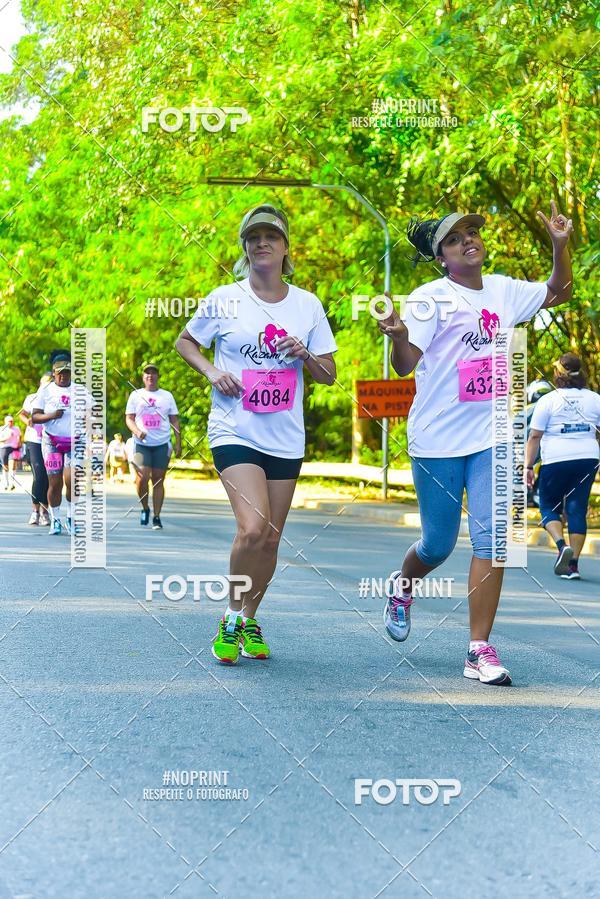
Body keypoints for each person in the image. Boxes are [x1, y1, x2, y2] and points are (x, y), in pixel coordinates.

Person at [378, 201, 573, 686]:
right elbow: (406, 365)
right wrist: (400, 335)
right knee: (438, 544)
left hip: (494, 434)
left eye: (473, 232)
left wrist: (560, 245)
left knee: (495, 541)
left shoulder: (505, 290)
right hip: (437, 438)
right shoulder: (429, 297)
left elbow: (559, 292)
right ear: (442, 256)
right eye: (455, 238)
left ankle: (478, 649)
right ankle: (403, 586)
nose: (470, 240)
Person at [176, 204, 337, 665]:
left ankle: (250, 617)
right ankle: (229, 618)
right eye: (253, 238)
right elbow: (185, 341)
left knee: (271, 538)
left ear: (286, 248)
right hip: (234, 427)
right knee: (252, 527)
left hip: (285, 435)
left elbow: (328, 375)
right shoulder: (225, 297)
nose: (261, 243)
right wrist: (211, 371)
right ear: (245, 249)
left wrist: (305, 354)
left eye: (271, 236)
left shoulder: (306, 304)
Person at [526, 354, 600, 580]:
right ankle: (573, 565)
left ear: (558, 375)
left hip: (556, 459)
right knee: (577, 508)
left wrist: (528, 466)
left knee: (548, 506)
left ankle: (561, 546)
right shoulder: (595, 399)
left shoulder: (548, 400)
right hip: (587, 458)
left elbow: (535, 436)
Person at [125, 363, 181, 529]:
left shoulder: (166, 396)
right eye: (147, 373)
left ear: (158, 376)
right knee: (142, 477)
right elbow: (129, 418)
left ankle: (156, 516)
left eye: (153, 373)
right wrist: (137, 430)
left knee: (158, 480)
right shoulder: (136, 395)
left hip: (162, 443)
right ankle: (145, 508)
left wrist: (179, 442)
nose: (150, 376)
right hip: (141, 443)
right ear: (143, 377)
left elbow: (175, 420)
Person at [32, 358, 75, 536]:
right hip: (51, 442)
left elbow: (92, 412)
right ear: (54, 374)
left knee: (72, 481)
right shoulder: (46, 391)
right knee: (55, 483)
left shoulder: (80, 390)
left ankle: (71, 519)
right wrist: (52, 415)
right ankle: (55, 520)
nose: (64, 376)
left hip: (75, 441)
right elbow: (34, 417)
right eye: (60, 373)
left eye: (67, 373)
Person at [19, 374, 52, 525]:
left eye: (50, 383)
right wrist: (28, 422)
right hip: (34, 440)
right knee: (38, 475)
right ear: (40, 383)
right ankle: (35, 511)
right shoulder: (31, 398)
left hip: (51, 441)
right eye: (45, 383)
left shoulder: (54, 399)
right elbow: (22, 414)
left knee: (48, 477)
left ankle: (45, 512)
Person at [526, 379, 553, 507]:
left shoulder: (528, 409)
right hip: (549, 448)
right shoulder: (553, 407)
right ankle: (537, 493)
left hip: (530, 446)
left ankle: (526, 494)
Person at [0, 415, 22, 491]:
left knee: (13, 465)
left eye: (12, 421)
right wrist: (7, 438)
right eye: (9, 421)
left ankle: (12, 483)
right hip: (4, 448)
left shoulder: (16, 428)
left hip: (14, 448)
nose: (11, 423)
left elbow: (19, 437)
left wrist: (19, 442)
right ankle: (6, 483)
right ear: (6, 422)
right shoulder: (2, 429)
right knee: (5, 466)